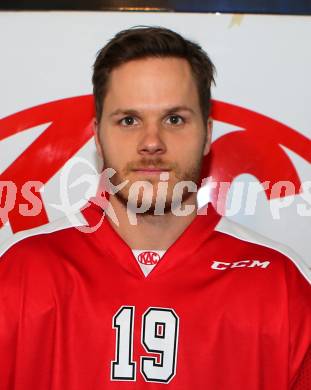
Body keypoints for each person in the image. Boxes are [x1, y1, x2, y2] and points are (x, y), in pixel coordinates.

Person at [0, 26, 310, 390]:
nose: (151, 142)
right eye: (129, 120)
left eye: (174, 119)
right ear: (98, 135)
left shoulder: (280, 284)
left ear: (208, 134)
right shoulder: (19, 273)